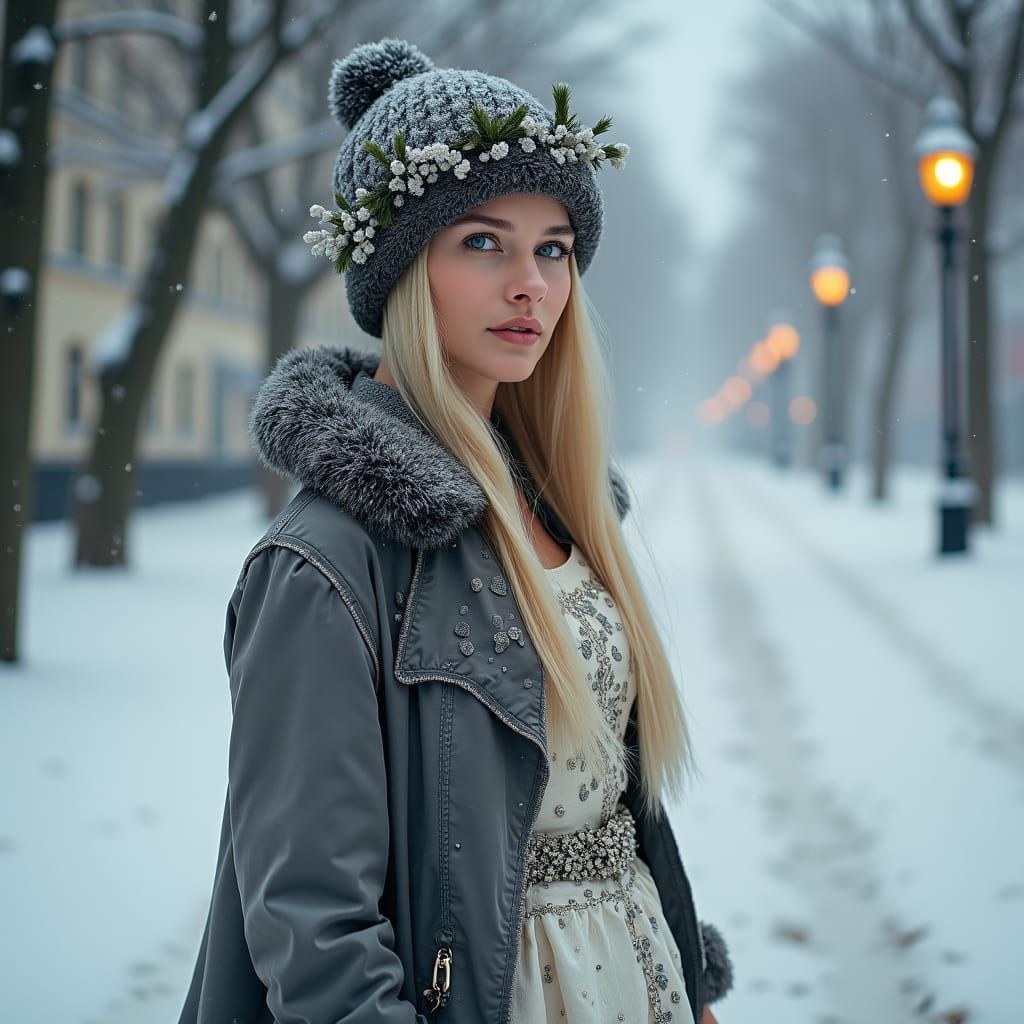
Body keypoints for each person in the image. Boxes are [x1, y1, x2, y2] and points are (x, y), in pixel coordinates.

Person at [178, 37, 734, 1024]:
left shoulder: (566, 508)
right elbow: (316, 927)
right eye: (484, 242)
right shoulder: (327, 561)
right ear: (401, 268)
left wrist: (681, 980)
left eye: (552, 248)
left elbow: (609, 804)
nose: (531, 284)